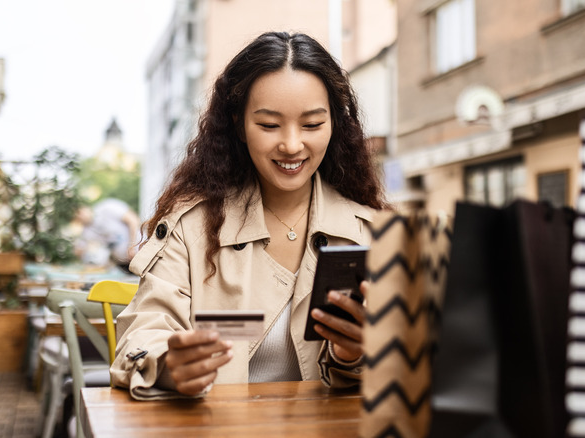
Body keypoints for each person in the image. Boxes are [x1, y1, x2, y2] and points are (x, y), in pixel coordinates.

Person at [111, 31, 388, 399]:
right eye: (269, 125)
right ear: (239, 125)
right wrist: (168, 365)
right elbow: (145, 332)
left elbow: (416, 366)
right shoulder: (190, 227)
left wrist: (355, 355)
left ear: (335, 125)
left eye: (312, 125)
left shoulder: (372, 233)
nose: (291, 145)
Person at [73, 198, 141, 269]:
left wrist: (132, 246)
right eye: (75, 216)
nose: (80, 216)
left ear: (85, 206)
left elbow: (133, 220)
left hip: (143, 253)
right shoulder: (86, 232)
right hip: (125, 264)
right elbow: (79, 251)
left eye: (79, 212)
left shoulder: (106, 208)